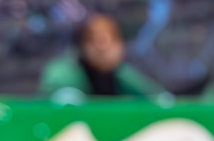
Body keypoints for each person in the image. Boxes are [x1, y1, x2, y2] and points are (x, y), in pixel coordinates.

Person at [38, 12, 166, 100]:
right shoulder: (63, 73)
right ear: (83, 45)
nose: (102, 47)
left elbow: (160, 100)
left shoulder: (121, 74)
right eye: (94, 40)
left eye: (110, 39)